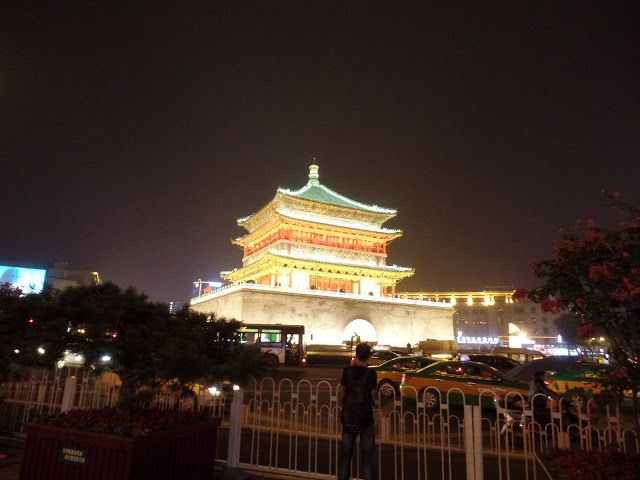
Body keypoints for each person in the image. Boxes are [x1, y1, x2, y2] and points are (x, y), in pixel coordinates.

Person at [338, 343, 377, 480]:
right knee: (367, 460)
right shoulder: (371, 374)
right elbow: (374, 396)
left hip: (348, 419)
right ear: (368, 356)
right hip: (366, 420)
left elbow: (342, 393)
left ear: (356, 354)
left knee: (345, 458)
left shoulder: (346, 371)